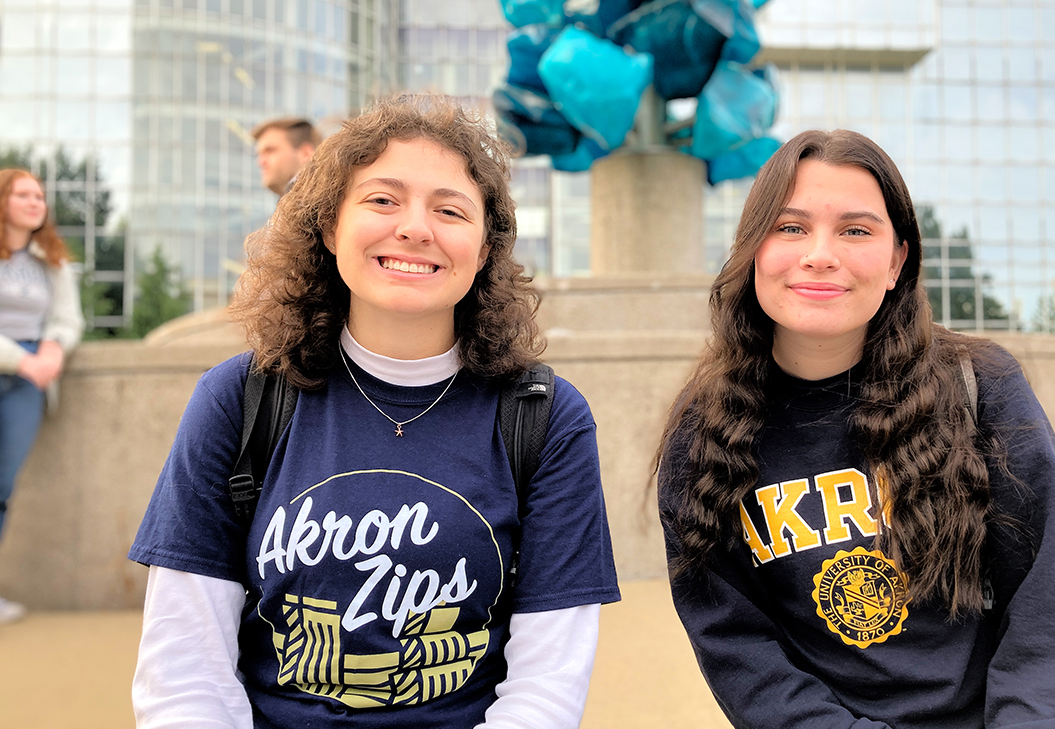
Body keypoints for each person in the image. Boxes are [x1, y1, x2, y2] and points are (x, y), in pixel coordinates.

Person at [129, 95, 620, 728]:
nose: (416, 228)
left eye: (450, 210)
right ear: (331, 229)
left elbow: (547, 686)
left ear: (486, 250)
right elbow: (184, 671)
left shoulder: (545, 417)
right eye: (382, 200)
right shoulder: (238, 398)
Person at [655, 130, 1055, 728]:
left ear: (897, 259)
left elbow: (1052, 605)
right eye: (790, 227)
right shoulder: (704, 435)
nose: (820, 253)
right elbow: (738, 646)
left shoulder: (981, 388)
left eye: (856, 230)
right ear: (752, 252)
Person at [0, 169, 84, 623]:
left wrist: (53, 346)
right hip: (19, 365)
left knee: (2, 487)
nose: (36, 202)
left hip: (27, 385)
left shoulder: (50, 260)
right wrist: (21, 358)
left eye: (40, 196)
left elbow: (67, 319)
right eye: (24, 194)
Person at [252, 117, 321, 197]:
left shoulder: (321, 200)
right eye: (260, 154)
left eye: (270, 151)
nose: (261, 162)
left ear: (305, 153)